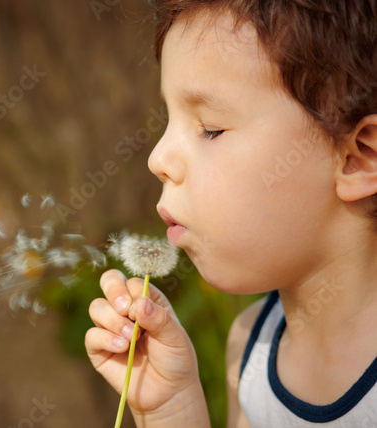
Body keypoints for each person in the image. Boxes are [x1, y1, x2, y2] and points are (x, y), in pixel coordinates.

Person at [85, 1, 377, 426]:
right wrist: (171, 408)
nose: (158, 158)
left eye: (210, 128)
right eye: (169, 120)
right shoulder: (249, 350)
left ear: (357, 157)